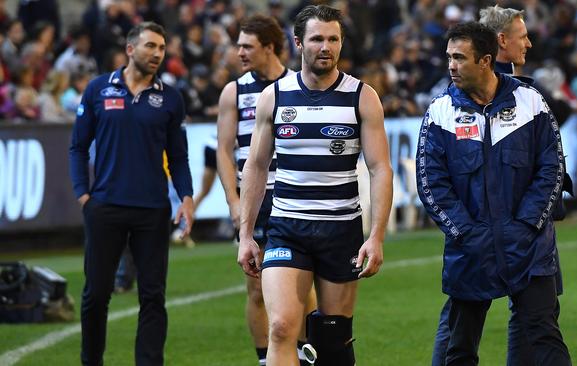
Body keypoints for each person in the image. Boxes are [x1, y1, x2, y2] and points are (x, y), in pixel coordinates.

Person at [237, 5, 393, 366]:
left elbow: (380, 169)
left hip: (341, 231)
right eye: (317, 39)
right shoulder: (275, 96)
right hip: (287, 229)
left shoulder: (362, 96)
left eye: (333, 39)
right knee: (280, 327)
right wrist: (246, 234)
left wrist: (377, 236)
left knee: (333, 339)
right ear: (298, 43)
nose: (326, 46)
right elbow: (257, 166)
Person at [416, 21, 571, 366]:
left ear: (485, 60)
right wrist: (467, 234)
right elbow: (431, 184)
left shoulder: (530, 101)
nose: (451, 66)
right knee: (460, 349)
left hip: (529, 248)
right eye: (449, 57)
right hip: (469, 250)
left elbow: (552, 168)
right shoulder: (440, 113)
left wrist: (527, 225)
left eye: (459, 57)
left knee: (544, 335)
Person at [69, 21, 193, 366]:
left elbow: (179, 156)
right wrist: (83, 195)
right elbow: (78, 147)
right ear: (129, 49)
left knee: (153, 297)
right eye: (150, 46)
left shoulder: (171, 99)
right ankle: (90, 361)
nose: (157, 54)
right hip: (104, 206)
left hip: (152, 211)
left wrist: (185, 197)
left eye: (162, 48)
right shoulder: (97, 90)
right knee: (95, 296)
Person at [216, 14, 317, 366]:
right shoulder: (235, 91)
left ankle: (307, 352)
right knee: (257, 287)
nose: (239, 52)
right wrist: (234, 200)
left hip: (292, 195)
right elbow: (225, 152)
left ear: (269, 47)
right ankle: (265, 357)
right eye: (238, 45)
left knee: (304, 283)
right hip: (255, 200)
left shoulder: (297, 84)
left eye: (247, 46)